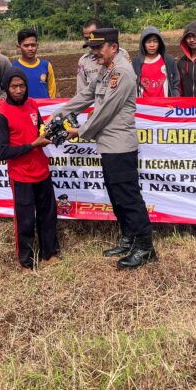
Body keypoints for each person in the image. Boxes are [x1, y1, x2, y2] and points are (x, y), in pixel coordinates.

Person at [57, 28, 157, 269]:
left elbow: (104, 111)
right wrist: (58, 115)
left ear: (113, 47)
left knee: (129, 198)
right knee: (117, 196)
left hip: (120, 146)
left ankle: (145, 247)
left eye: (98, 47)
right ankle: (129, 238)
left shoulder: (122, 72)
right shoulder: (106, 69)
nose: (94, 52)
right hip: (109, 146)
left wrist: (78, 131)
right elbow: (87, 94)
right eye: (91, 48)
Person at [0, 68, 60, 272]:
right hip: (21, 176)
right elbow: (3, 152)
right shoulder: (0, 115)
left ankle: (49, 254)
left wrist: (53, 132)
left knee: (48, 215)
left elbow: (40, 130)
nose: (18, 90)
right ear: (6, 88)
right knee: (25, 220)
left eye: (22, 86)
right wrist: (32, 145)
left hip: (42, 170)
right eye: (14, 86)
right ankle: (26, 262)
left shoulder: (32, 104)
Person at [76, 19, 131, 93]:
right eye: (86, 38)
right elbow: (82, 92)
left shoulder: (121, 54)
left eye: (93, 36)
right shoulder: (84, 61)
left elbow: (130, 84)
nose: (90, 41)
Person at [131, 26, 180, 97]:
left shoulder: (168, 60)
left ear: (160, 43)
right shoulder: (136, 62)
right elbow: (132, 85)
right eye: (148, 42)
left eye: (155, 41)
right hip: (143, 103)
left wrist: (175, 97)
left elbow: (175, 82)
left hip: (164, 103)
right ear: (143, 44)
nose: (152, 45)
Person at [12, 28, 56, 98]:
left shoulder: (46, 65)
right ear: (19, 47)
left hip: (44, 105)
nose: (30, 49)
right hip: (24, 105)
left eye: (33, 45)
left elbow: (52, 91)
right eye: (26, 45)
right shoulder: (13, 67)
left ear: (37, 45)